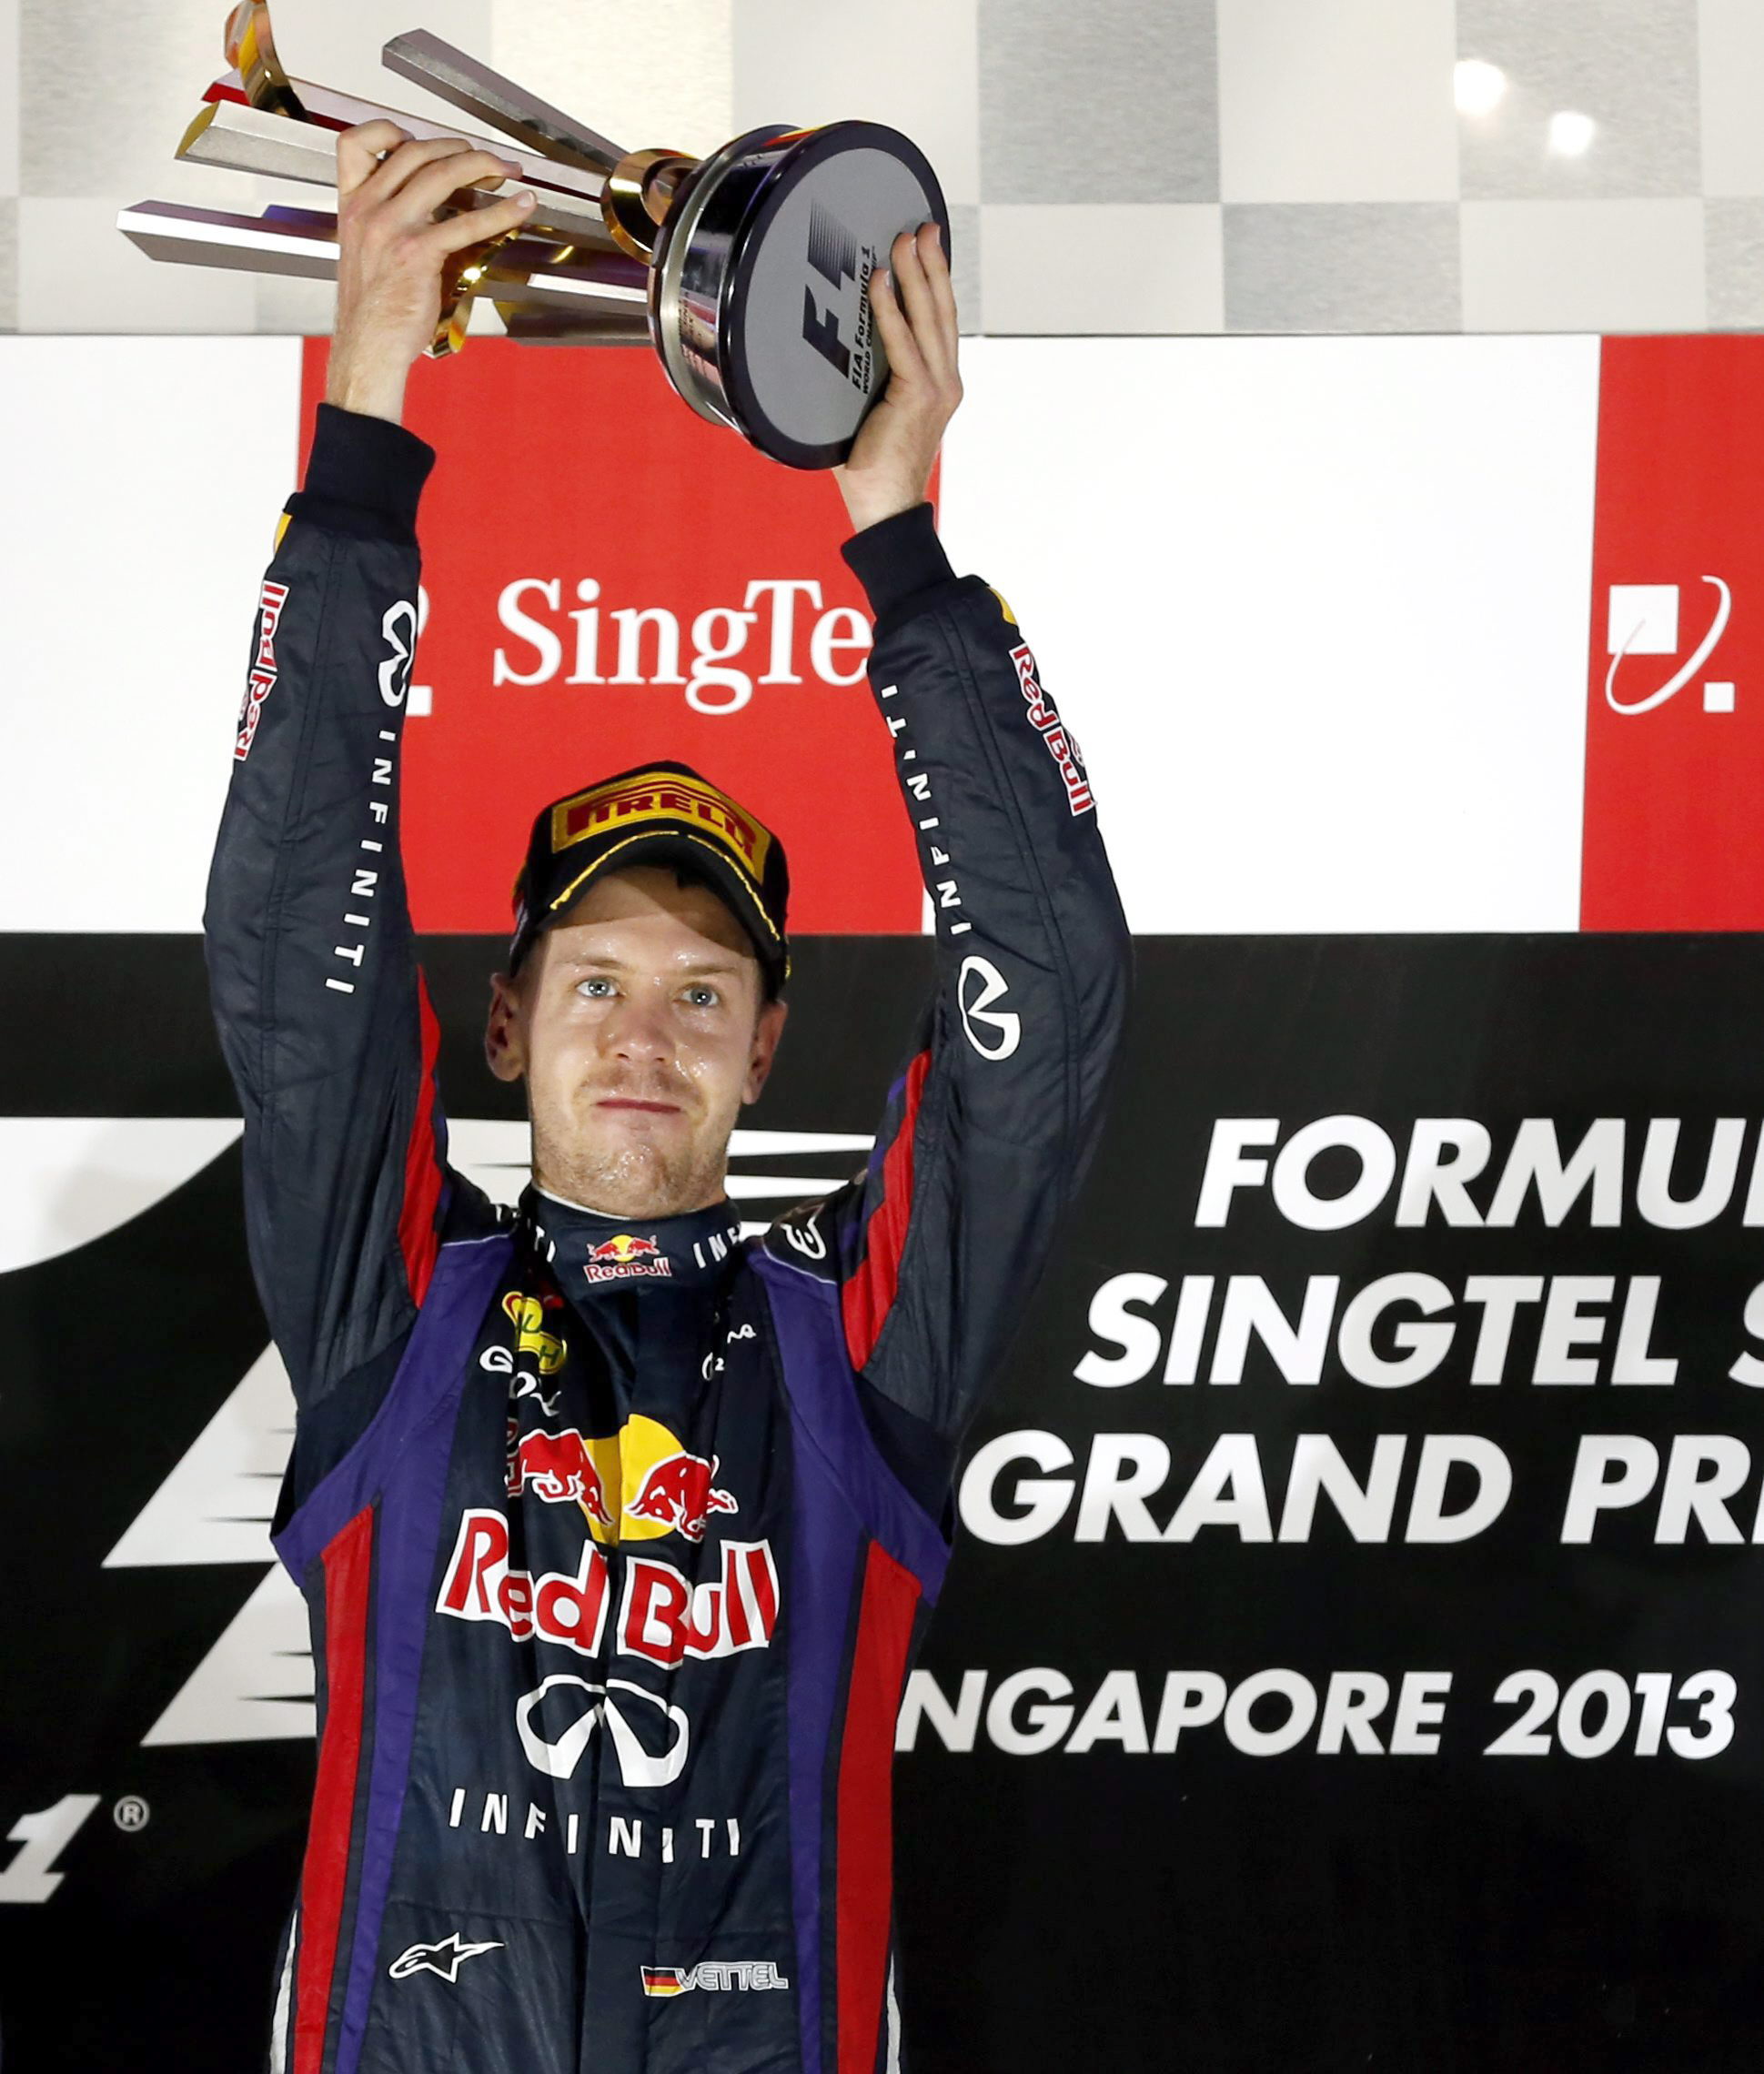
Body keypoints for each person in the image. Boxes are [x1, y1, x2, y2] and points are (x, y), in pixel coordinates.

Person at [206, 120, 1130, 2074]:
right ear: (505, 1020)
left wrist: (898, 537)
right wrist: (362, 428)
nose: (646, 1037)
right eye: (598, 983)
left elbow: (1044, 1005)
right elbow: (296, 954)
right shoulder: (398, 1314)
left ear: (765, 1047)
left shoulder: (852, 1344)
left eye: (705, 994)